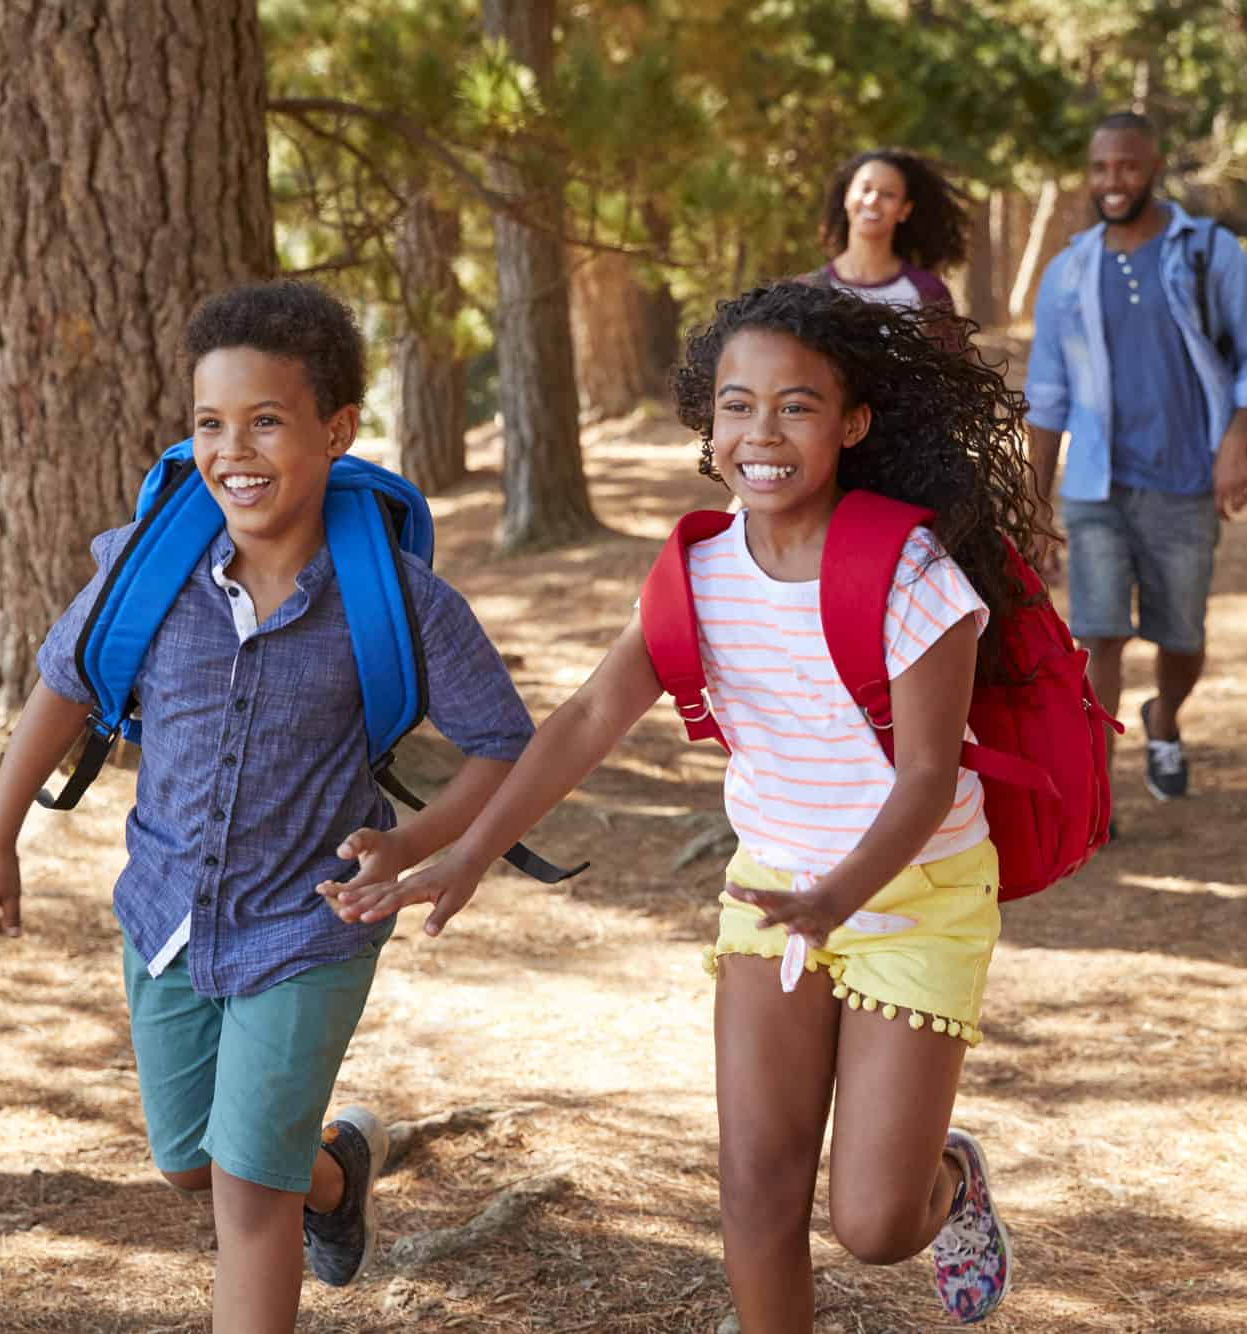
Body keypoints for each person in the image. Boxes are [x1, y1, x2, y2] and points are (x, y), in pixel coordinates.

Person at [323, 282, 1055, 1329]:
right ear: (707, 426)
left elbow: (927, 775)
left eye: (796, 405)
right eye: (736, 403)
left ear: (850, 424)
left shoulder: (909, 571)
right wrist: (471, 849)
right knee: (755, 1191)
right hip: (769, 890)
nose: (763, 430)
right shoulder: (698, 573)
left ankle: (946, 1182)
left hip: (911, 891)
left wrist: (839, 894)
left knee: (872, 1221)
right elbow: (583, 717)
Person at [0, 279, 535, 1332]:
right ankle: (335, 1175)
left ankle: (289, 1179)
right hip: (166, 916)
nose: (235, 449)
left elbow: (504, 743)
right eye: (209, 423)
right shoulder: (149, 570)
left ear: (336, 430)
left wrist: (409, 841)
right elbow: (62, 683)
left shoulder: (395, 597)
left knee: (245, 1193)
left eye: (266, 420)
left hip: (310, 925)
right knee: (190, 1159)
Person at [1023, 111, 1247, 807]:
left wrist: (1235, 445)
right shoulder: (1068, 272)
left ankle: (1165, 717)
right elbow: (1046, 399)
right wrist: (1034, 505)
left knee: (1181, 636)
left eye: (1128, 167)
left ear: (1154, 167)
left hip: (1184, 482)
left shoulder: (1208, 252)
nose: (1113, 182)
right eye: (1101, 168)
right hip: (1097, 486)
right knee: (1098, 635)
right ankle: (1096, 795)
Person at [799, 148, 969, 325]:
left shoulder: (929, 292)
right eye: (865, 189)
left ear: (904, 210)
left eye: (888, 194)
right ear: (847, 196)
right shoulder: (808, 291)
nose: (872, 200)